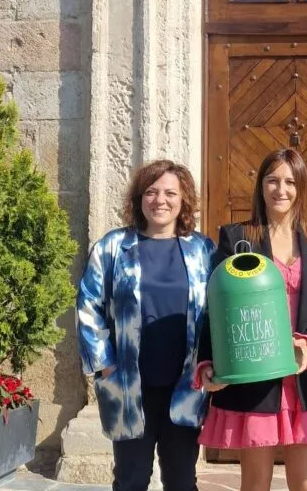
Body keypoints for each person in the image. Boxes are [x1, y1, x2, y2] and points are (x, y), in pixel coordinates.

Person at [195, 148, 307, 491]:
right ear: (261, 186)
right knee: (255, 484)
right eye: (273, 180)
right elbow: (215, 306)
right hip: (255, 374)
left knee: (306, 487)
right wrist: (208, 361)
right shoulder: (237, 238)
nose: (282, 190)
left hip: (305, 376)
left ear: (302, 188)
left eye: (290, 182)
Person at [76, 160, 215, 491]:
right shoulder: (112, 247)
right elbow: (88, 306)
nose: (160, 200)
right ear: (139, 198)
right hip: (128, 386)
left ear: (183, 200)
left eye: (170, 193)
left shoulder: (204, 250)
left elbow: (216, 312)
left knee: (181, 481)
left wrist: (214, 365)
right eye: (151, 192)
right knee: (131, 479)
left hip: (185, 386)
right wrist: (105, 365)